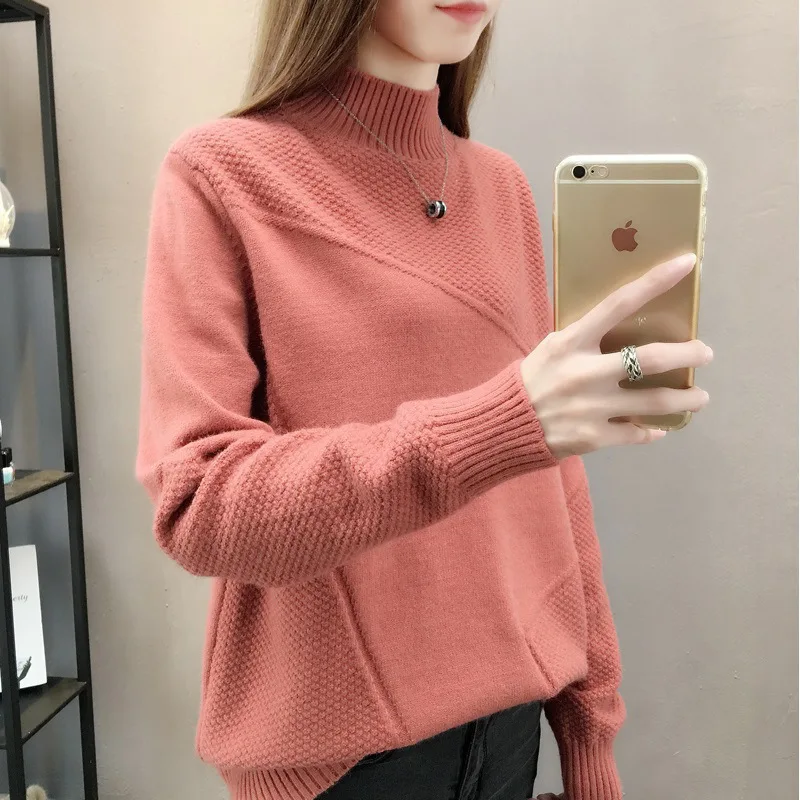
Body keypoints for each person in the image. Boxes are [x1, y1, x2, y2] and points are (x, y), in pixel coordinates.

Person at [136, 1, 712, 798]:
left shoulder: (501, 188)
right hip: (344, 760)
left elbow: (555, 486)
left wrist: (590, 737)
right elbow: (200, 506)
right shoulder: (223, 172)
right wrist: (504, 422)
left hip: (510, 728)